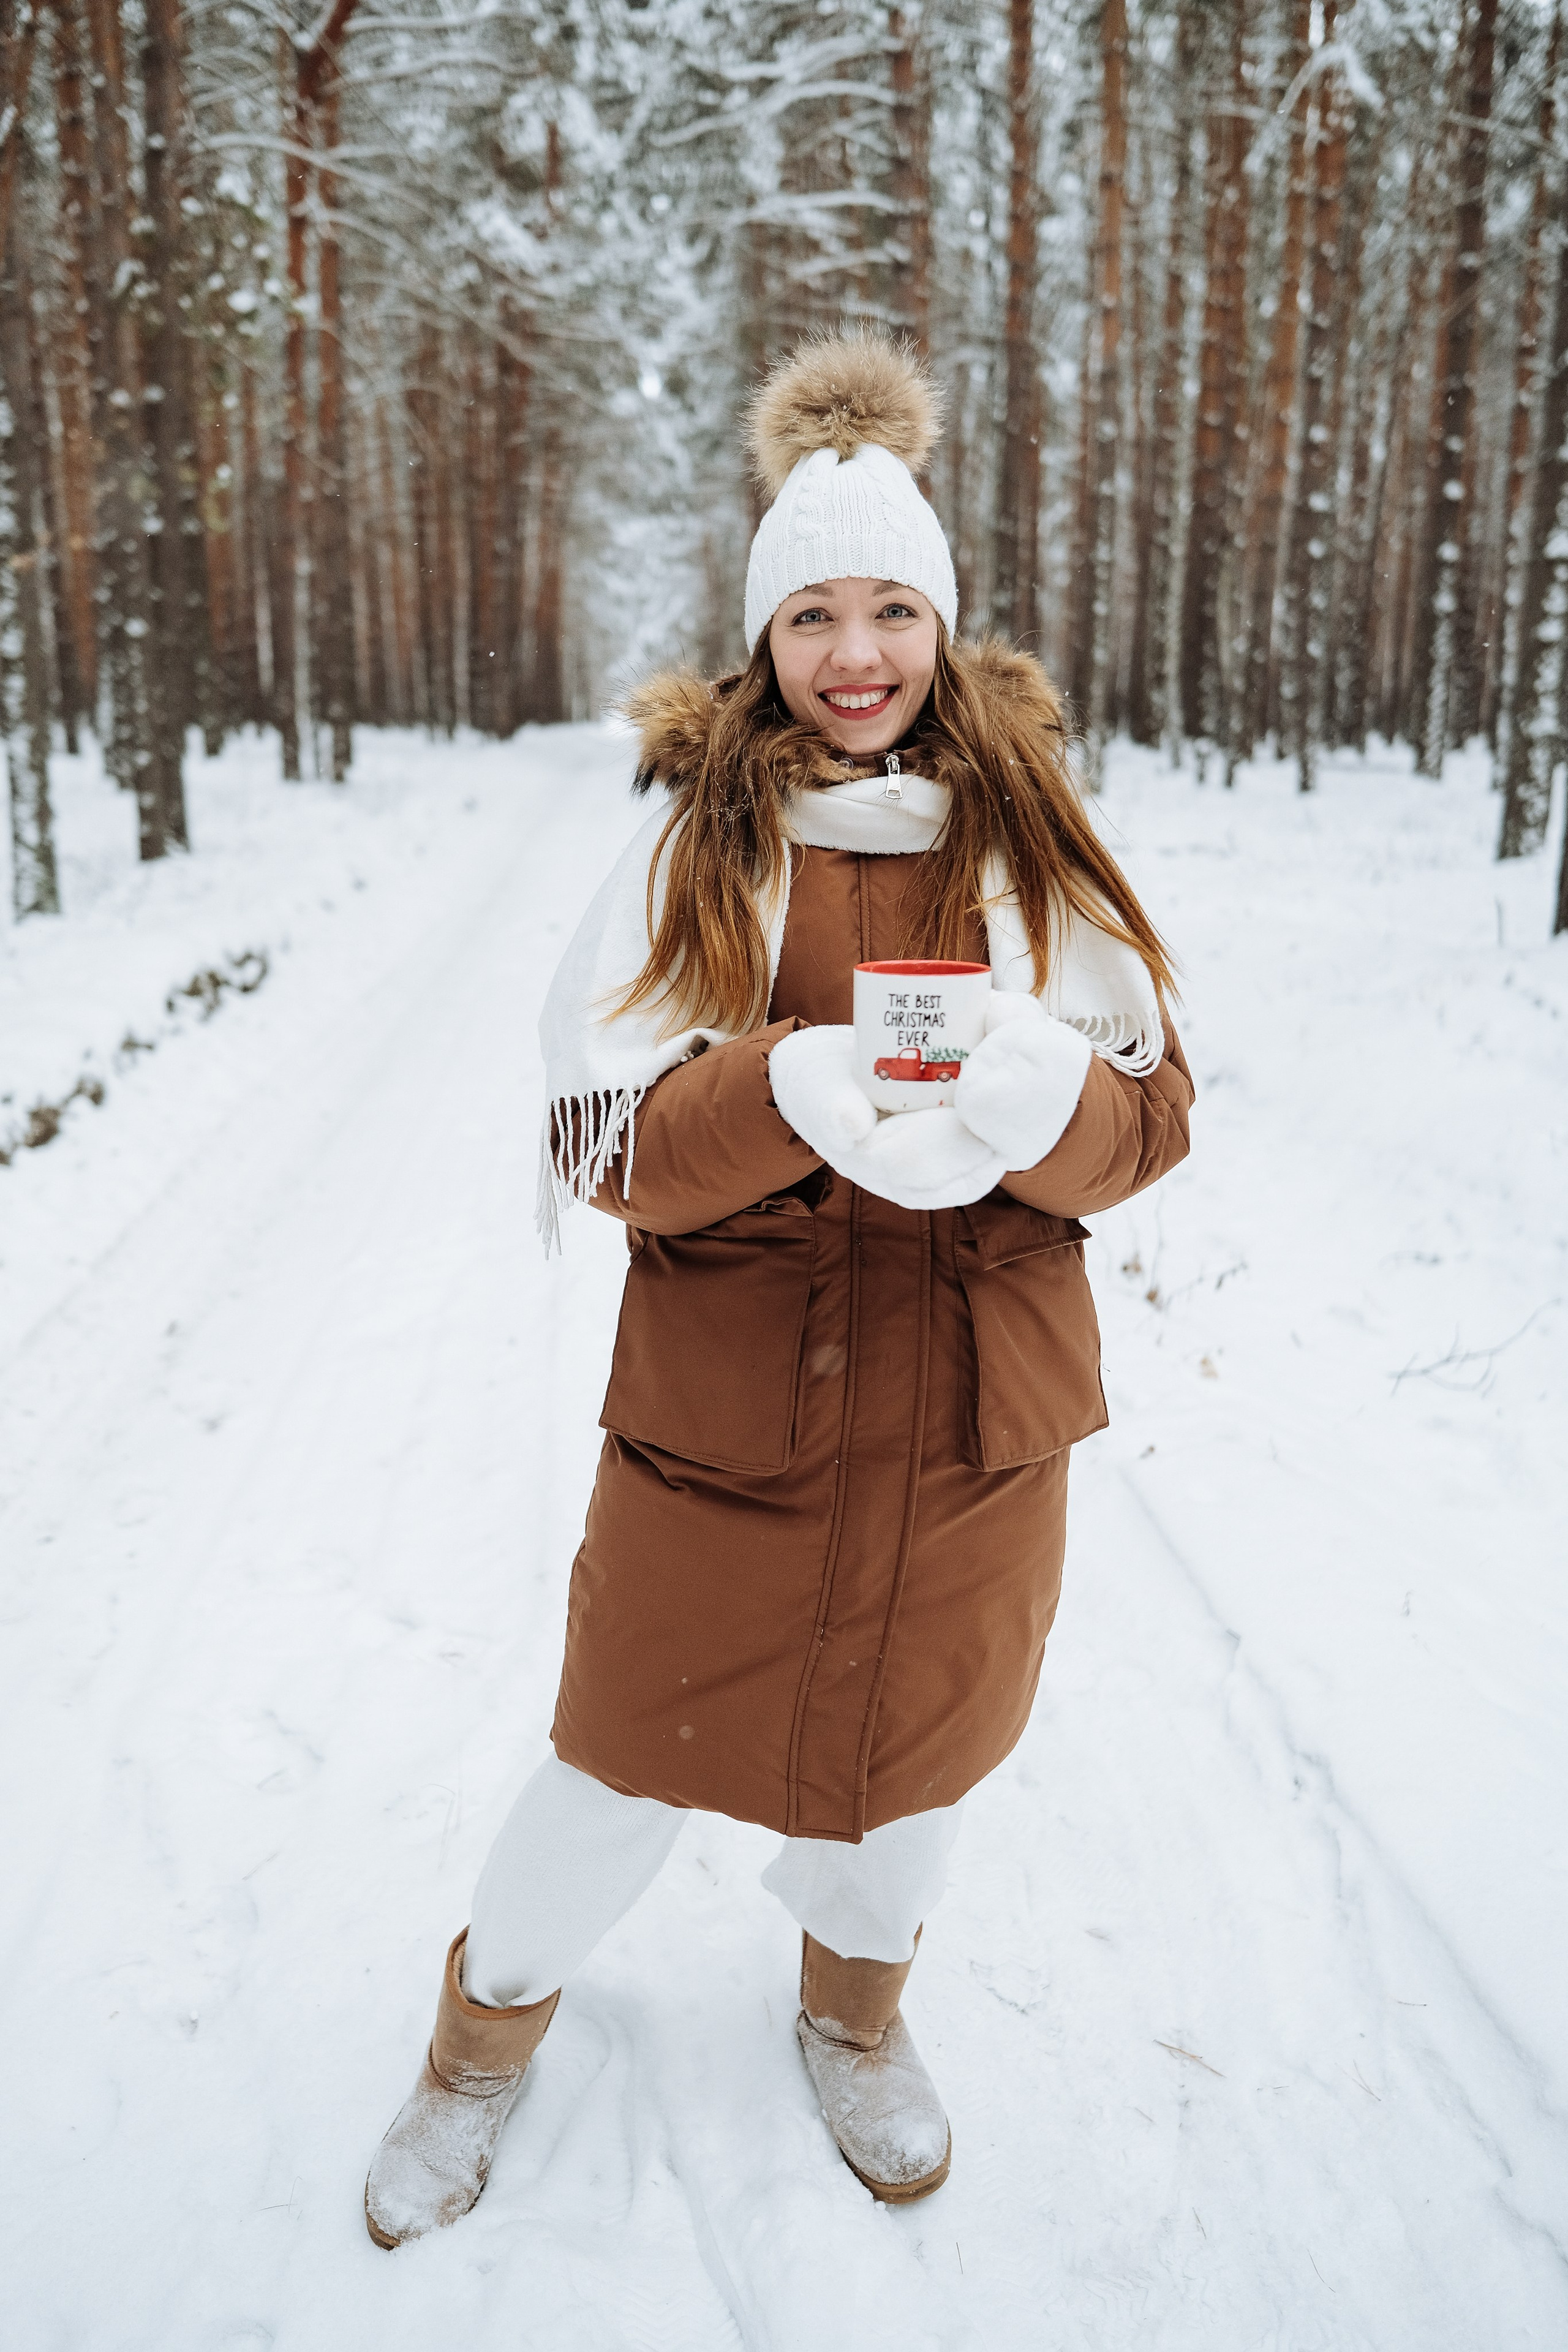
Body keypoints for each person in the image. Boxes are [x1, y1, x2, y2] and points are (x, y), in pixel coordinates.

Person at [364, 330, 1193, 2248]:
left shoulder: (1036, 842)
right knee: (615, 1768)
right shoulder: (692, 851)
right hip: (733, 1425)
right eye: (812, 612)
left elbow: (1151, 1133)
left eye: (893, 607)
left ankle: (857, 2014)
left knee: (916, 1766)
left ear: (944, 622)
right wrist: (778, 1091)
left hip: (979, 1425)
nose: (856, 654)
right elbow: (602, 1144)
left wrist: (1051, 1098)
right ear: (763, 640)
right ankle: (476, 2049)